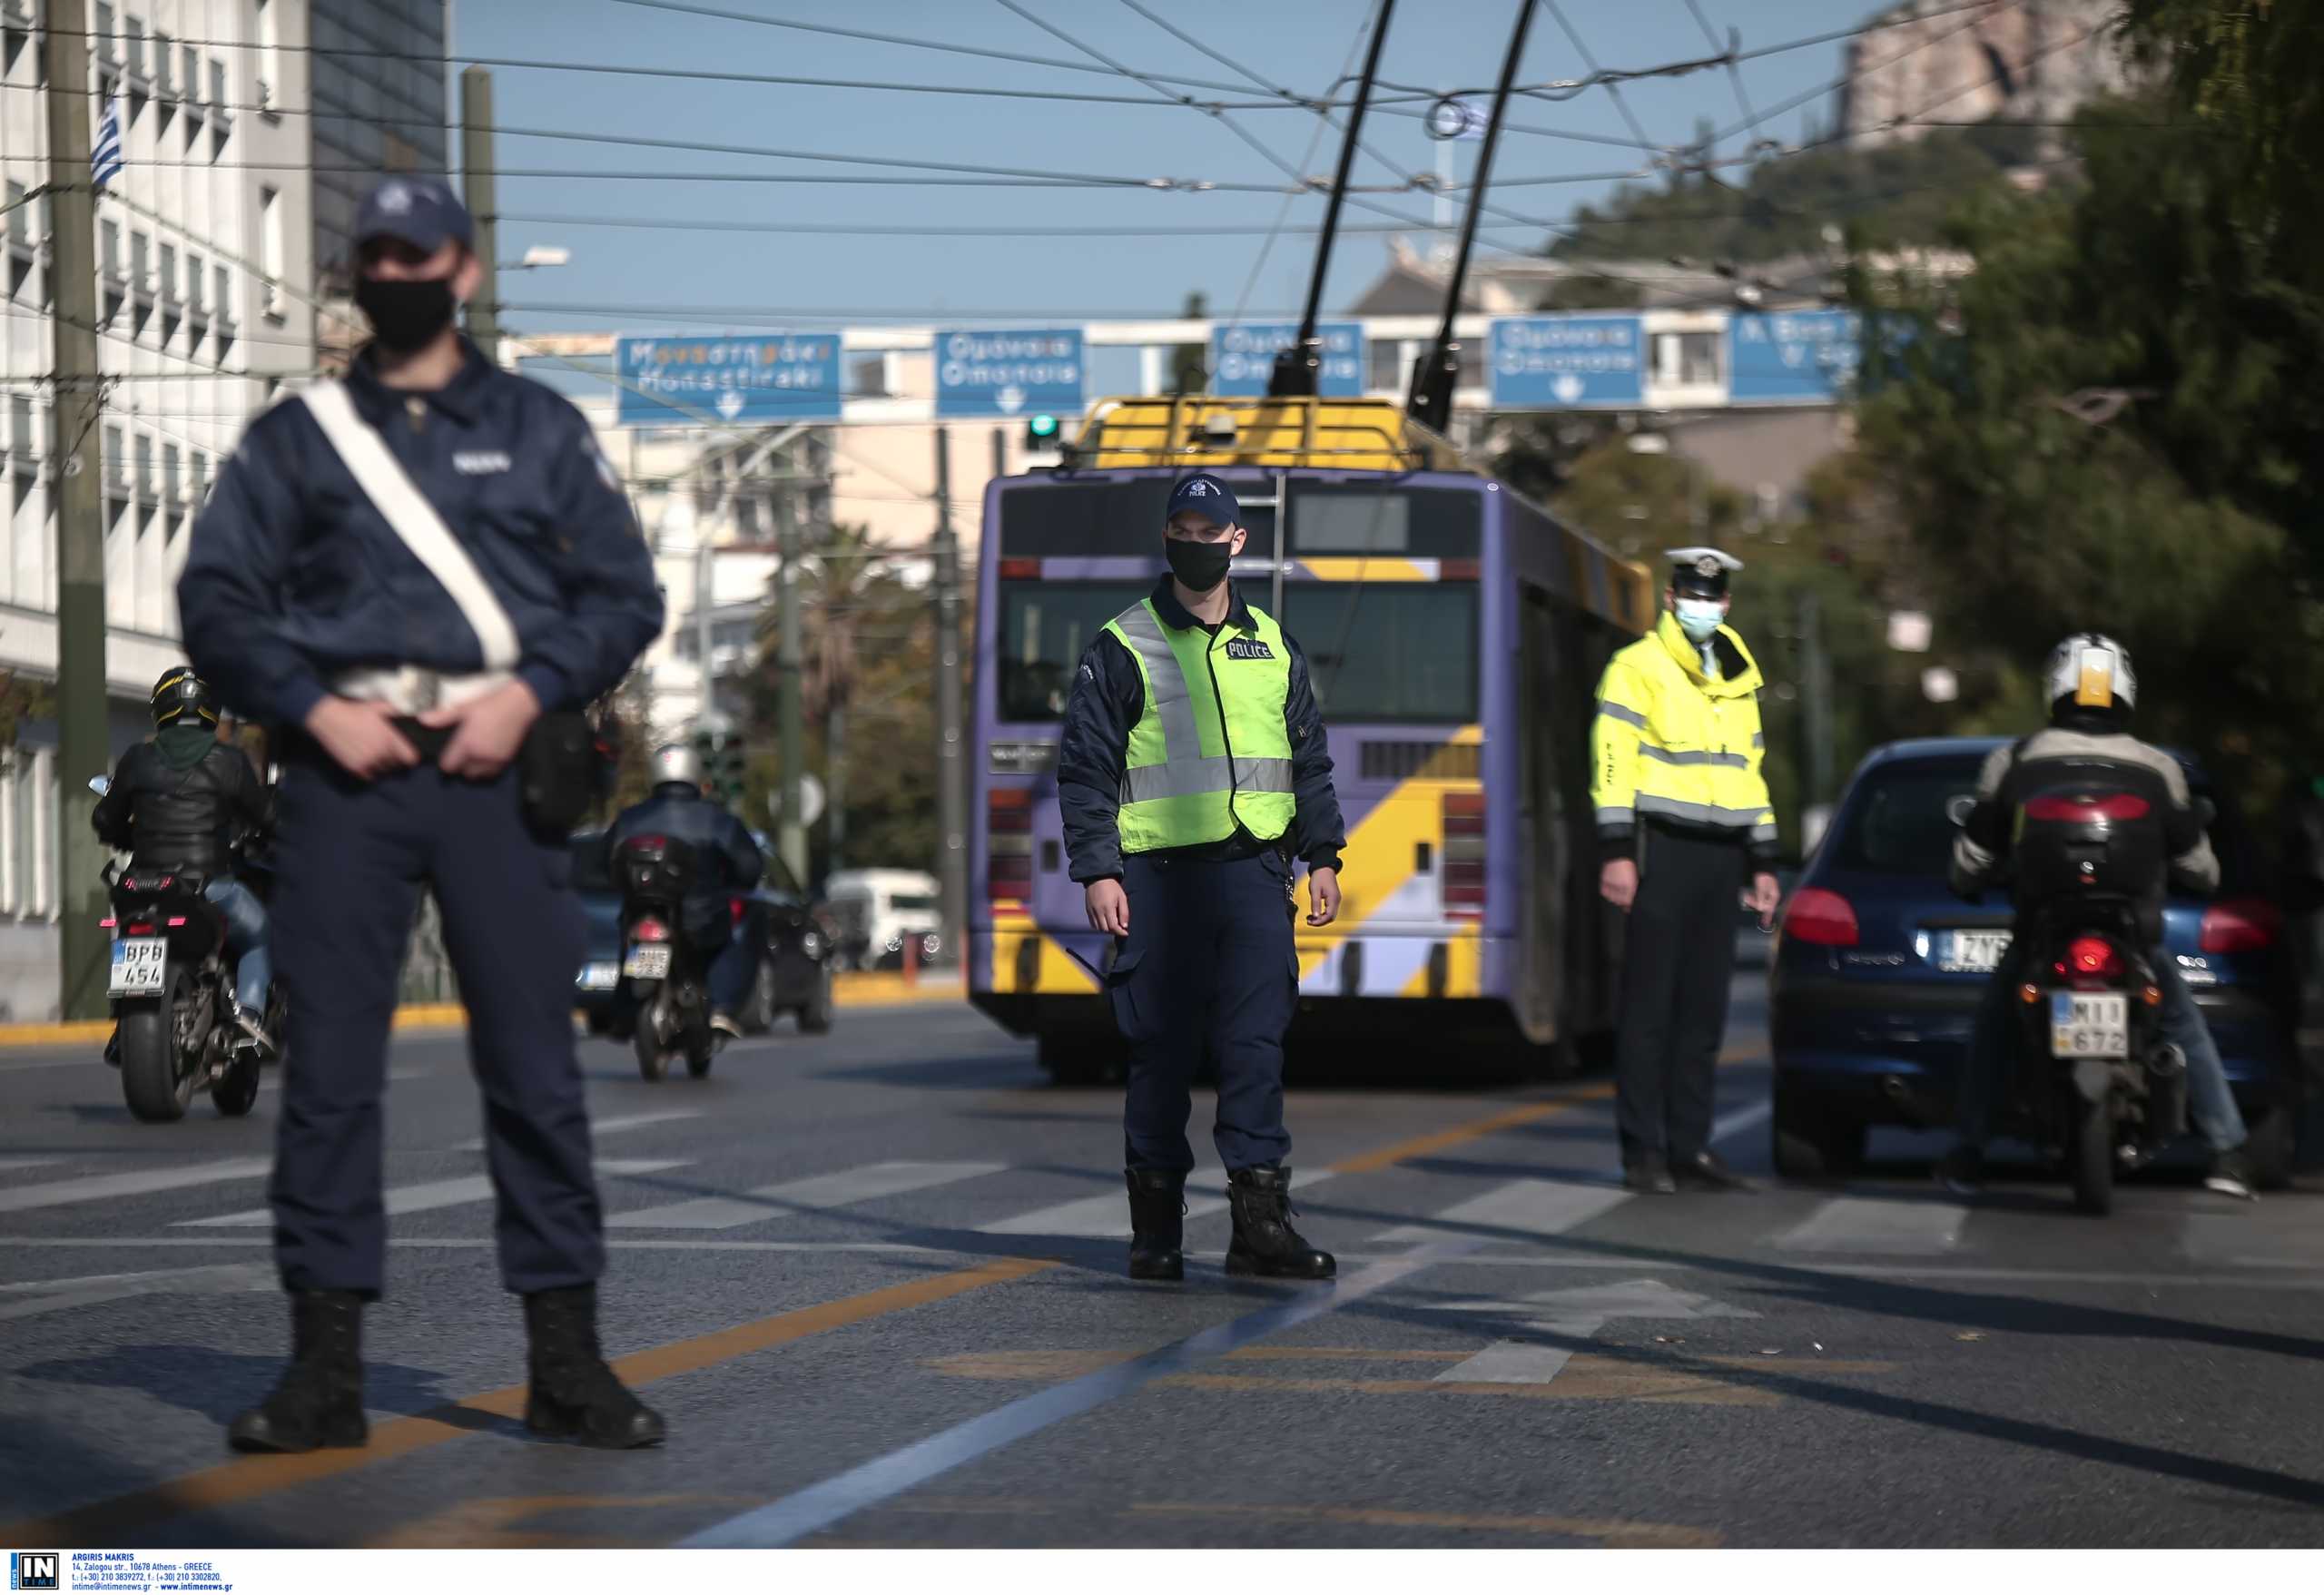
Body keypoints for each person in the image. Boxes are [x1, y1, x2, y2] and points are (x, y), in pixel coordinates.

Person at [175, 176, 666, 1454]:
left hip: (496, 772)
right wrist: (308, 705)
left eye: (419, 250)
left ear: (465, 264)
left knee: (534, 1068)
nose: (396, 270)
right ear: (359, 272)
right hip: (348, 771)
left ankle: (567, 1365)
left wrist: (534, 694)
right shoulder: (299, 440)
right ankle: (322, 1372)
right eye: (375, 252)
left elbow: (621, 592)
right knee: (330, 1071)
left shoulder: (539, 428)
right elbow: (218, 598)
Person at [1057, 472, 1347, 1282]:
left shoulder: (1273, 646)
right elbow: (1084, 772)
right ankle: (1156, 1233)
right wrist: (1098, 871)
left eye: (1209, 530)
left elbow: (1309, 762)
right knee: (1161, 1051)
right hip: (1156, 879)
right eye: (1181, 528)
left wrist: (1323, 855)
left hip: (1254, 873)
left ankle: (1260, 1229)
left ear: (1236, 542)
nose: (1196, 541)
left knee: (1254, 1050)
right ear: (1167, 539)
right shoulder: (1124, 643)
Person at [1938, 633, 2257, 1200]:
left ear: (2055, 688)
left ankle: (1968, 1151)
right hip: (2136, 934)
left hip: (2042, 933)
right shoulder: (2159, 767)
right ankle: (2228, 1152)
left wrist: (1968, 882)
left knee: (1994, 1025)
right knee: (2185, 1023)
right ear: (2125, 690)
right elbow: (2200, 866)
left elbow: (1974, 857)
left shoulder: (2013, 761)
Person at [1593, 548, 1782, 1196]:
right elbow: (1612, 760)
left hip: (1722, 854)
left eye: (1712, 596)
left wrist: (1763, 860)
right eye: (1690, 594)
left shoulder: (1738, 676)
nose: (1701, 605)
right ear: (1671, 598)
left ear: (1725, 604)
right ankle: (1643, 1151)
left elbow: (1750, 773)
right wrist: (1616, 848)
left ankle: (1689, 1148)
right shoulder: (1636, 667)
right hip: (1659, 848)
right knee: (1649, 1008)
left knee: (1704, 1012)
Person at [92, 668, 278, 1054]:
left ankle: (123, 1024)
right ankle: (249, 1015)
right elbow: (265, 816)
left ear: (161, 707)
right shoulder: (229, 761)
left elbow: (105, 819)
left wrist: (131, 837)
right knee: (261, 937)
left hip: (141, 885)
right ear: (210, 710)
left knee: (129, 927)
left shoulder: (136, 759)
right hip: (208, 886)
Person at [604, 743, 766, 1038]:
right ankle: (722, 1008)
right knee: (732, 942)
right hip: (700, 918)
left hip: (641, 914)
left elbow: (605, 862)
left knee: (628, 942)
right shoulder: (717, 819)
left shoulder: (629, 818)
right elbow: (748, 867)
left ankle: (624, 1012)